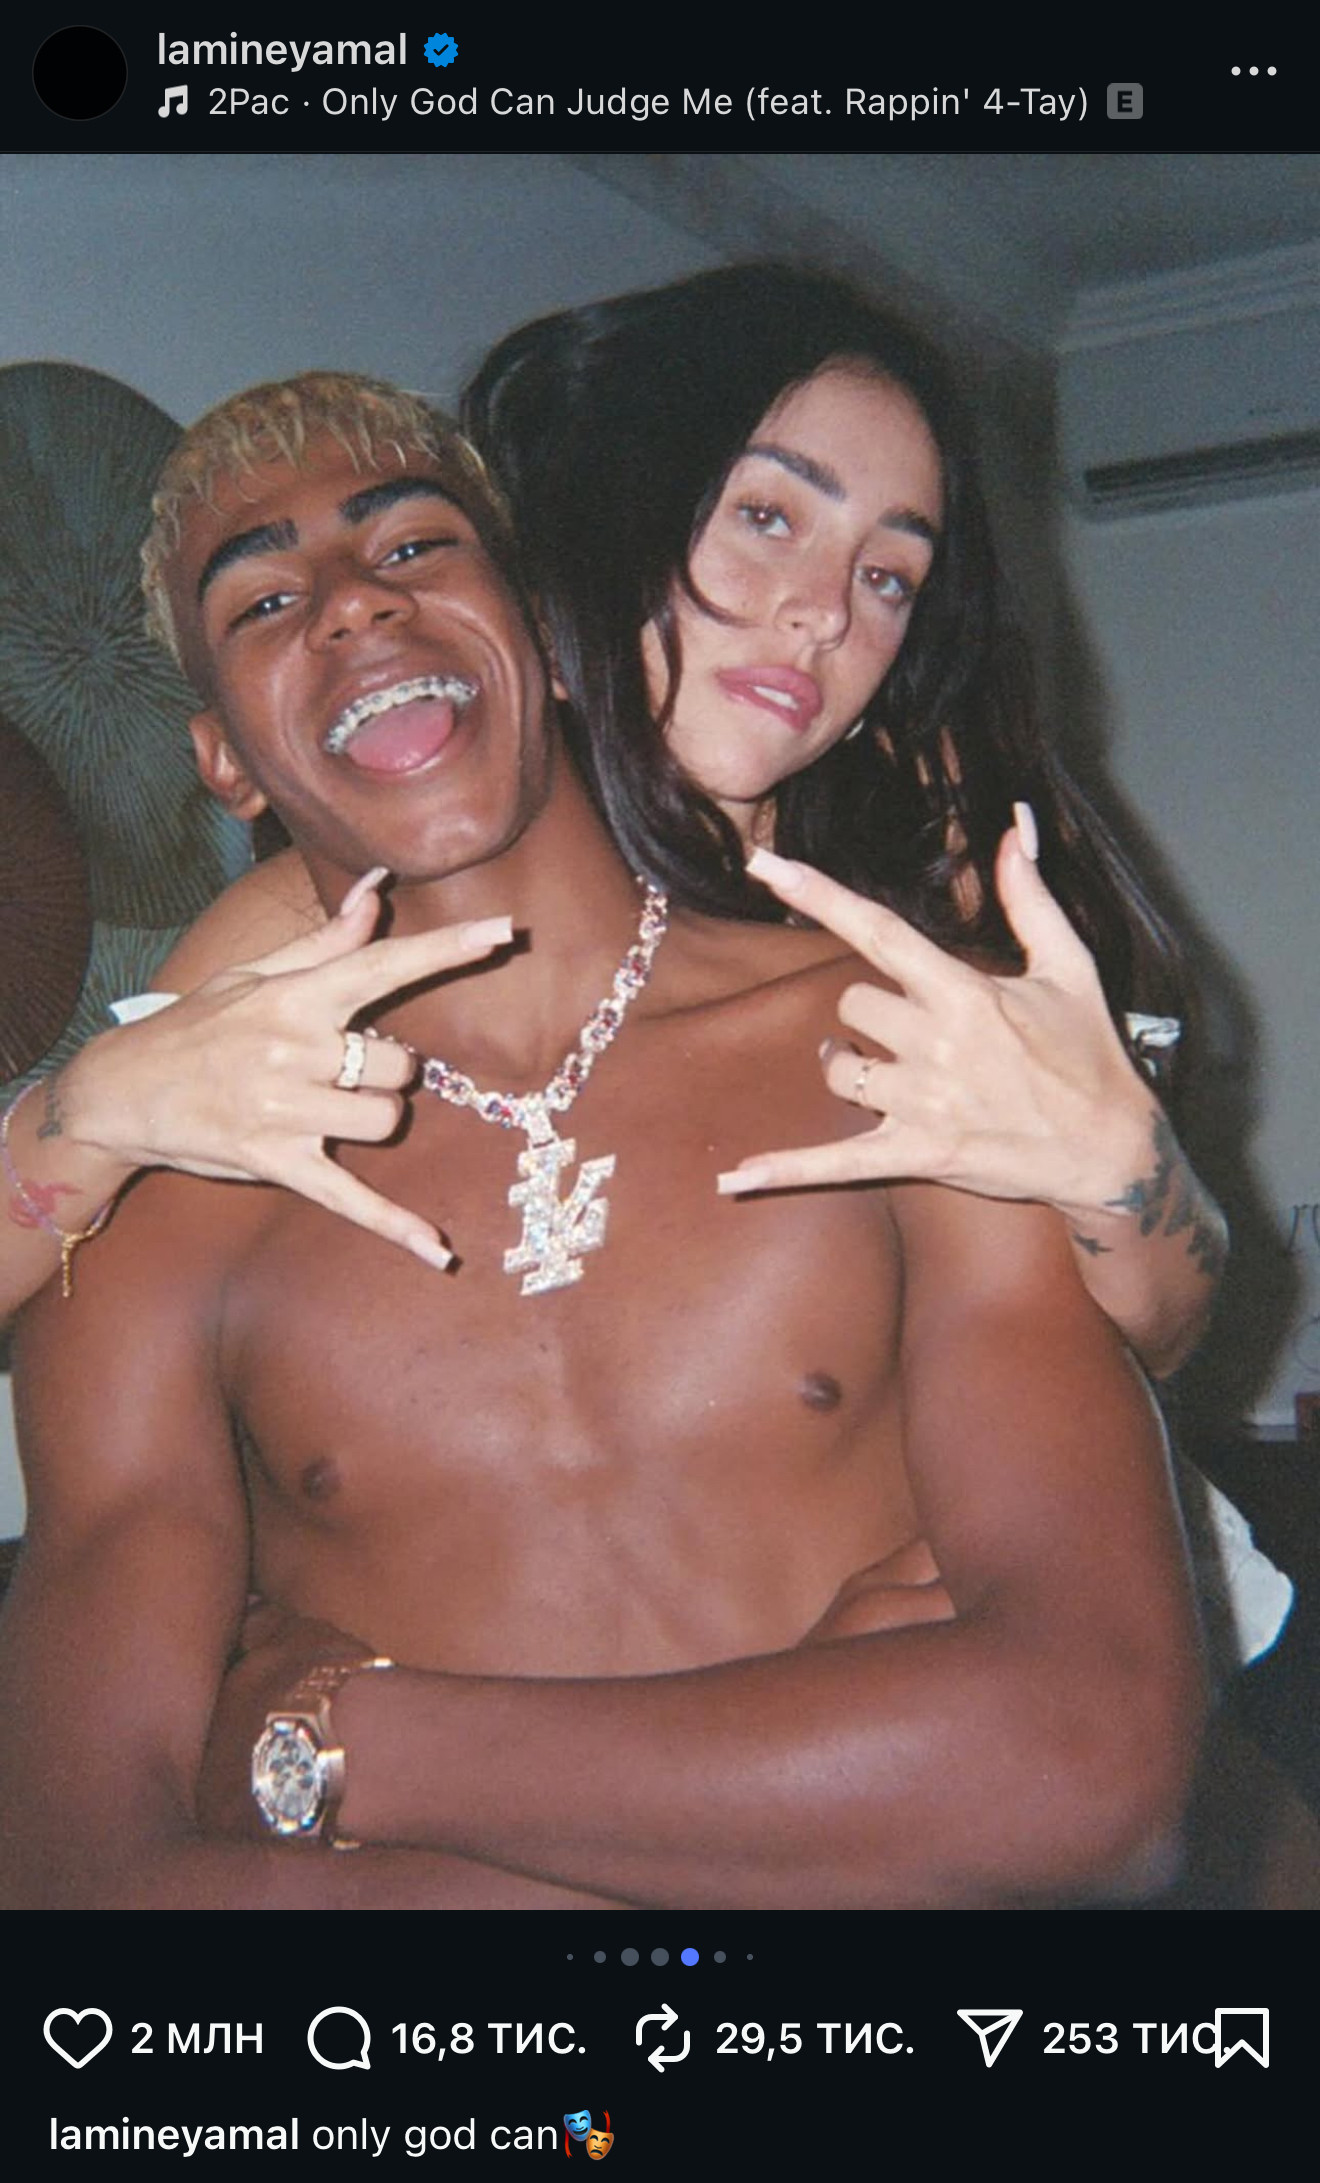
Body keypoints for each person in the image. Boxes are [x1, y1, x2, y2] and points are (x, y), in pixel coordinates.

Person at [0, 371, 1202, 1910]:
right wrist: (805, 1831)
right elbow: (77, 1876)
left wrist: (345, 1747)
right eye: (265, 602)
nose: (354, 603)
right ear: (225, 758)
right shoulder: (162, 1201)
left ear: (552, 640)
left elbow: (1092, 1765)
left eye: (413, 545)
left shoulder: (912, 1050)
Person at [0, 267, 1222, 1385]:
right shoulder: (359, 899)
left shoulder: (935, 853)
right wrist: (82, 1112)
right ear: (608, 517)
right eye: (768, 517)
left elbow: (1152, 1339)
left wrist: (1124, 1165)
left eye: (887, 574)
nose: (821, 613)